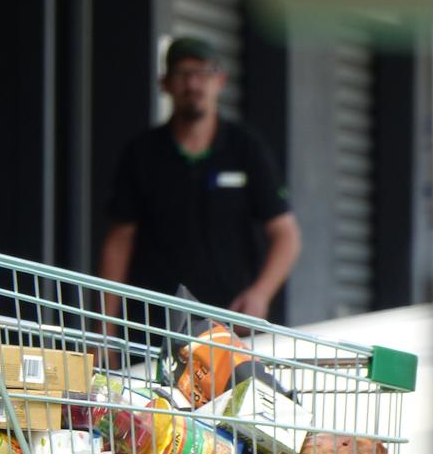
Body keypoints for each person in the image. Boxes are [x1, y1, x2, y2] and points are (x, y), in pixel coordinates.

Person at [99, 36, 300, 333]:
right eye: (182, 74)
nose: (193, 84)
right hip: (156, 326)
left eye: (202, 73)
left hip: (230, 324)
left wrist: (260, 294)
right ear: (165, 83)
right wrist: (105, 328)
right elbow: (119, 242)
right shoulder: (141, 153)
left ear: (219, 81)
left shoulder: (245, 149)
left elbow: (287, 236)